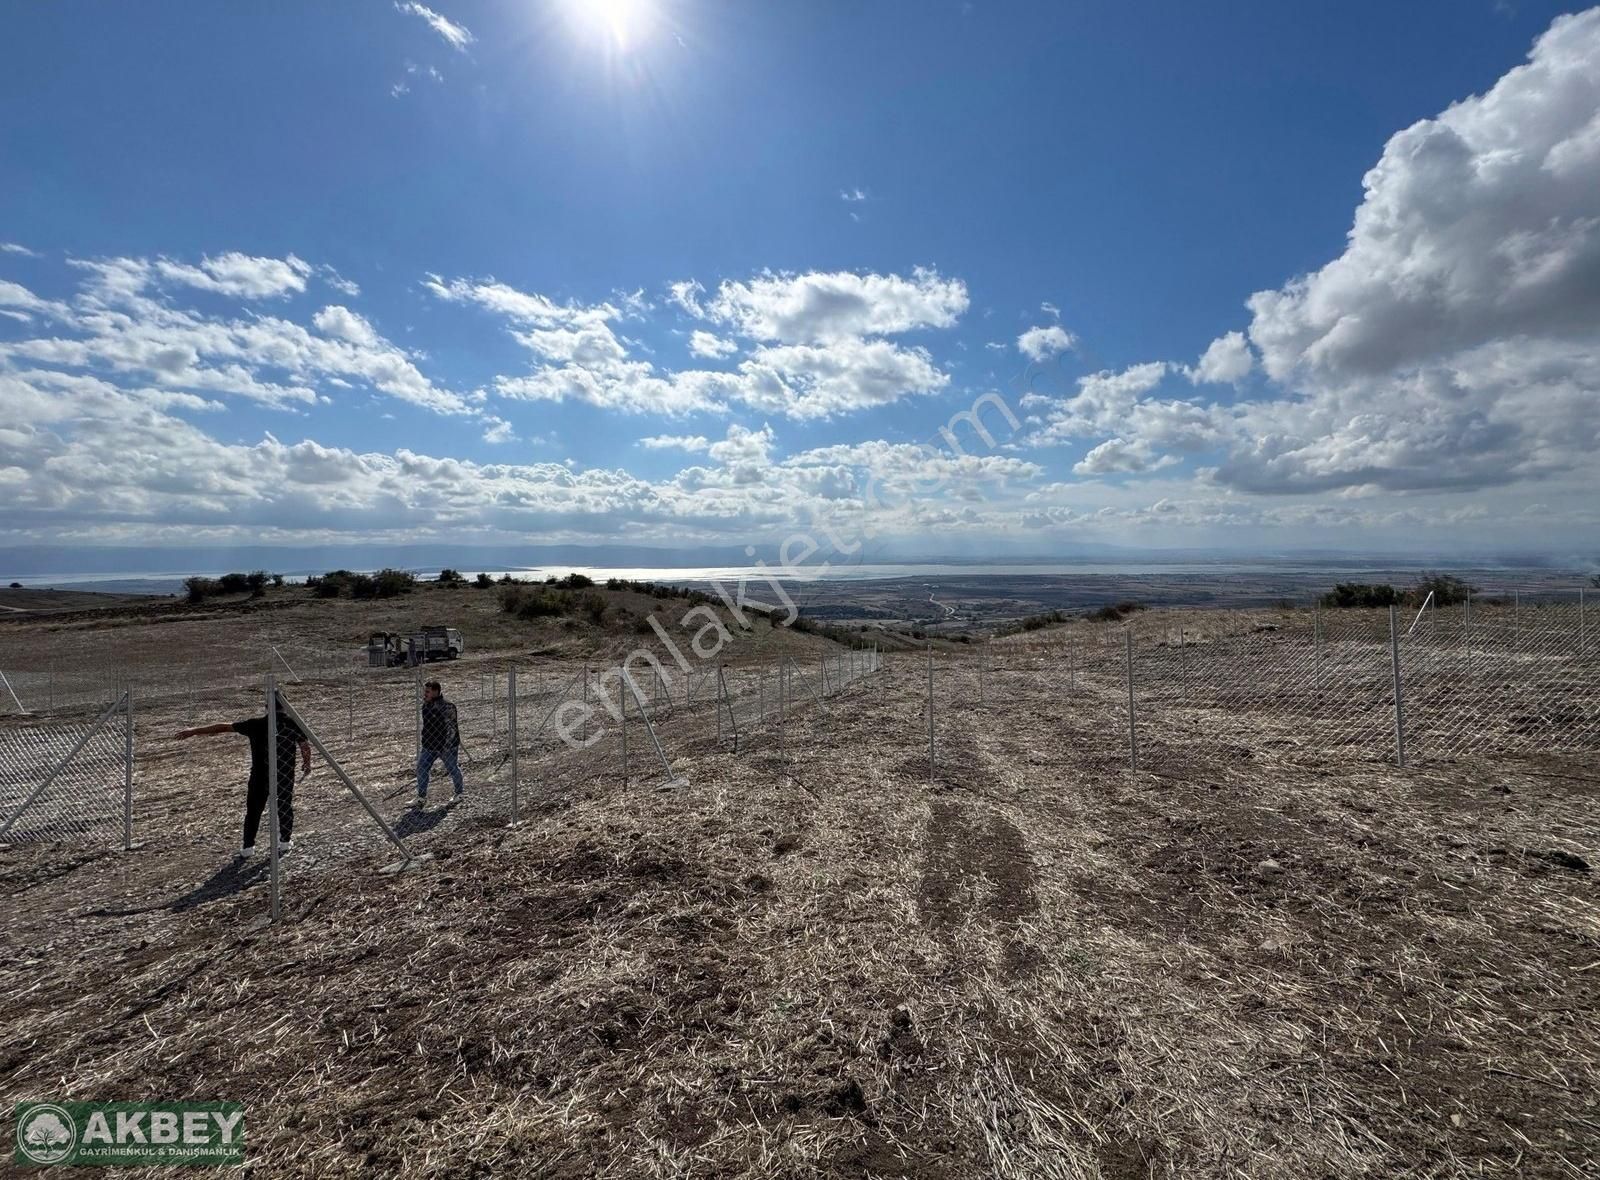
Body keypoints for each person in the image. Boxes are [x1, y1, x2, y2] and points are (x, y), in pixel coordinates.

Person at [174, 693, 311, 857]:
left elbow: (223, 727)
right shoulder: (294, 724)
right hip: (284, 774)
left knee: (254, 810)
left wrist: (195, 731)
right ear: (287, 706)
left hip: (259, 775)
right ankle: (285, 843)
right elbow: (304, 746)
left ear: (266, 707)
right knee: (284, 806)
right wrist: (306, 763)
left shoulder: (255, 725)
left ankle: (248, 847)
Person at [417, 679, 464, 805]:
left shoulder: (447, 707)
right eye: (424, 691)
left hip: (446, 748)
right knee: (421, 768)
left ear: (436, 692)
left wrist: (446, 746)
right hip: (429, 746)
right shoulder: (426, 706)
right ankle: (421, 797)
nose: (424, 694)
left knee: (452, 769)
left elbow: (451, 729)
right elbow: (427, 727)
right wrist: (425, 740)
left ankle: (459, 793)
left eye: (427, 691)